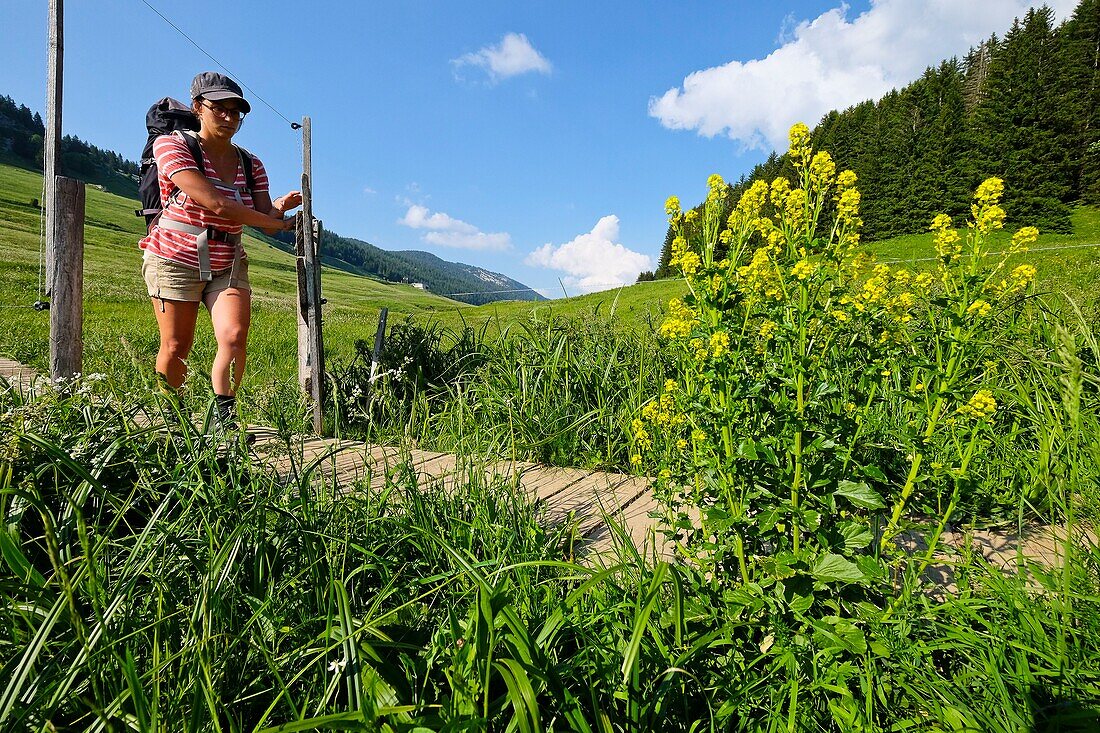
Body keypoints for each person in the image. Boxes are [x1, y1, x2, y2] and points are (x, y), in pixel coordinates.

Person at [140, 71, 301, 440]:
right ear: (198, 107)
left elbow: (260, 215)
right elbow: (214, 203)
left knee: (234, 336)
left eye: (236, 111)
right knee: (177, 345)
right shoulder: (171, 145)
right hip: (175, 256)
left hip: (227, 257)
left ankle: (224, 423)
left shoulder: (250, 162)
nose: (229, 117)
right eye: (219, 109)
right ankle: (174, 423)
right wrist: (271, 221)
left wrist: (279, 211)